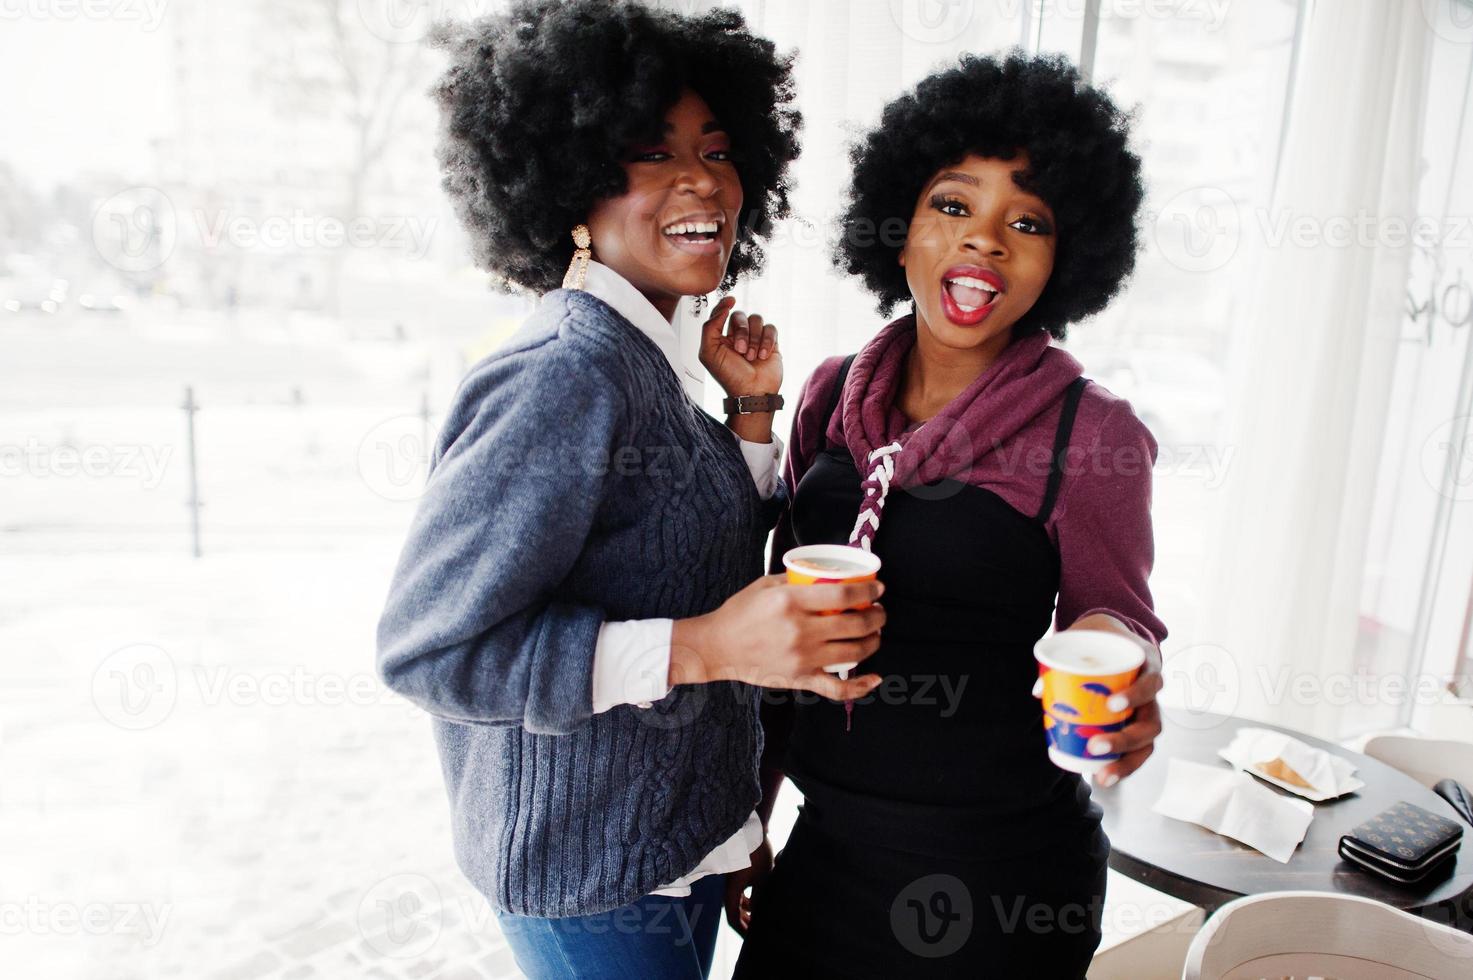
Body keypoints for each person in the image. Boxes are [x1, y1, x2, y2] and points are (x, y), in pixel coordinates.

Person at [373, 3, 885, 977]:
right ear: (568, 188)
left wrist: (752, 418)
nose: (703, 180)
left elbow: (679, 557)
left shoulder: (648, 358)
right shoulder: (564, 372)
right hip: (591, 880)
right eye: (651, 152)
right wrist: (707, 647)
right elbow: (435, 650)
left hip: (671, 850)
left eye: (719, 149)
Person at [731, 51, 1168, 979]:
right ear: (898, 231)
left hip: (999, 881)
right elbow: (782, 642)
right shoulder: (830, 393)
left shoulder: (1090, 433)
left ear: (1064, 258)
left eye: (1027, 221)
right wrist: (751, 820)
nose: (985, 242)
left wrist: (1127, 676)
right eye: (951, 205)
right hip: (828, 851)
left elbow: (1114, 612)